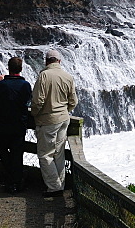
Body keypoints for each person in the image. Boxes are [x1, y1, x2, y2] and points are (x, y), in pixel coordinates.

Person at [31, 49, 77, 197]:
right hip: (64, 119)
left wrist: (35, 114)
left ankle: (54, 187)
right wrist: (65, 110)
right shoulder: (67, 76)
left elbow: (38, 101)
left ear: (46, 61)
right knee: (59, 153)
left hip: (48, 120)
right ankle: (60, 184)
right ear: (59, 61)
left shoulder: (44, 76)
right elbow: (73, 101)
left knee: (45, 155)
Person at [0, 56, 32, 193]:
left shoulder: (2, 84)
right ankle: (17, 182)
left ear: (8, 68)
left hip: (2, 124)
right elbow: (28, 100)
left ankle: (12, 180)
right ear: (21, 69)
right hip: (18, 125)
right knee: (17, 154)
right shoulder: (25, 85)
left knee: (0, 149)